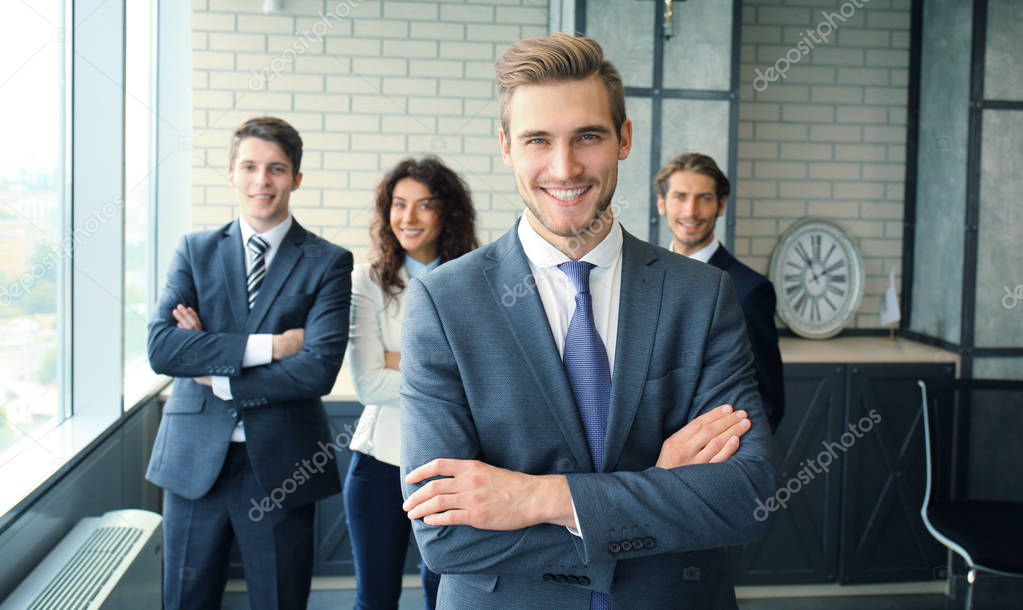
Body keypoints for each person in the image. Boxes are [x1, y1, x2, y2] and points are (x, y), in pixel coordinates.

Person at [399, 34, 776, 609]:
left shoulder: (702, 294)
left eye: (588, 136)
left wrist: (539, 498)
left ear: (623, 139)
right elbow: (445, 537)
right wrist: (659, 486)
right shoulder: (444, 302)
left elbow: (746, 497)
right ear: (506, 147)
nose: (565, 167)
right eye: (537, 140)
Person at [146, 116, 353, 610]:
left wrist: (214, 370)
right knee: (184, 600)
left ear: (296, 178)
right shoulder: (194, 251)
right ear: (232, 173)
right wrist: (273, 347)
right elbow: (162, 348)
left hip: (283, 463)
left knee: (279, 602)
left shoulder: (328, 262)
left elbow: (318, 369)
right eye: (250, 167)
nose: (262, 181)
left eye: (277, 169)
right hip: (195, 460)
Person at [344, 157, 478, 609]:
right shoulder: (367, 280)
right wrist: (446, 368)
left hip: (451, 464)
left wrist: (398, 360)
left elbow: (482, 375)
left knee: (443, 593)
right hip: (379, 462)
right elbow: (368, 384)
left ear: (448, 213)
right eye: (399, 205)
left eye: (424, 205)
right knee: (375, 598)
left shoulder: (475, 278)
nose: (408, 218)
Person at [655, 153, 785, 433]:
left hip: (715, 460)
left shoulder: (749, 290)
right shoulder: (643, 280)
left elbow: (768, 402)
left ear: (721, 205)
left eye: (704, 198)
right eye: (680, 196)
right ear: (662, 204)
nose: (691, 211)